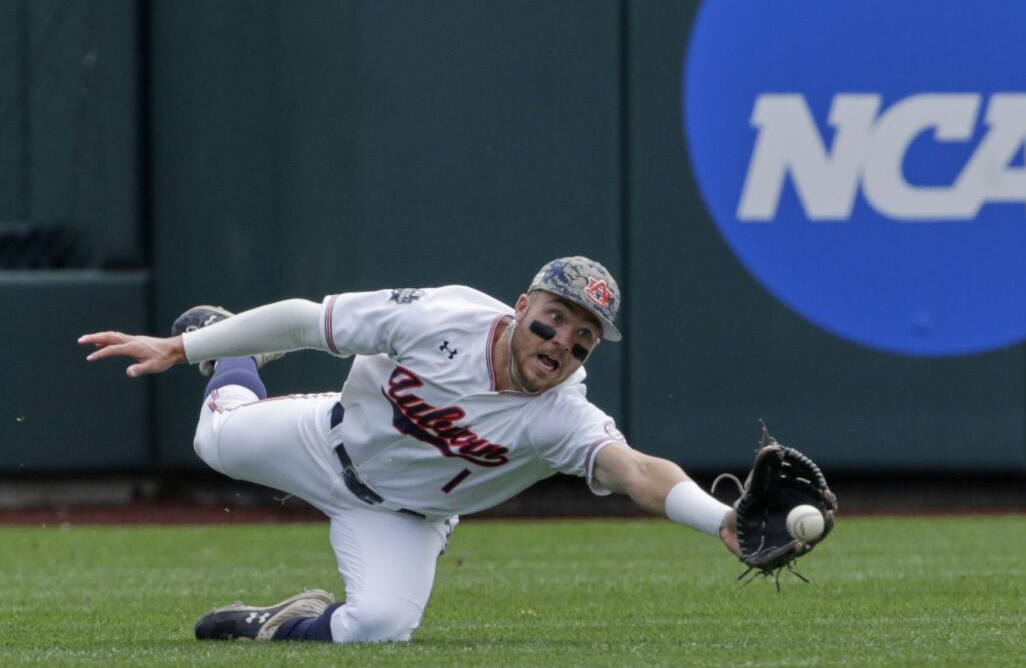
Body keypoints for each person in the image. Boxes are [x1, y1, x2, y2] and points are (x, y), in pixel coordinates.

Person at [79, 256, 739, 643]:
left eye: (584, 335)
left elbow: (636, 471)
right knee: (213, 439)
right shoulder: (441, 316)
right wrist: (184, 348)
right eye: (554, 316)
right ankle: (234, 354)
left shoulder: (559, 413)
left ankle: (275, 624)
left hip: (402, 516)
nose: (561, 339)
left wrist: (723, 519)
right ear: (519, 307)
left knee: (379, 626)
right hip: (324, 441)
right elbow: (311, 322)